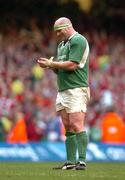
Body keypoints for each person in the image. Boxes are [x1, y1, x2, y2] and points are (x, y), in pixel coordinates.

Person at [37, 17, 90, 170]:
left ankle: (82, 161)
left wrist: (52, 63)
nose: (57, 34)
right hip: (63, 90)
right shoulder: (61, 45)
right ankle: (70, 162)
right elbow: (60, 69)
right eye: (56, 32)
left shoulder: (78, 40)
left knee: (76, 124)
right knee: (67, 127)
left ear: (68, 27)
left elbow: (73, 65)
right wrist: (50, 66)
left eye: (59, 30)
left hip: (76, 88)